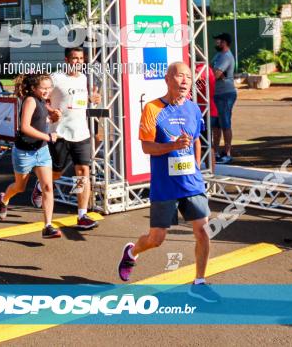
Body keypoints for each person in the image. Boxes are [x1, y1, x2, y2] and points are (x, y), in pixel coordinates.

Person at [116, 62, 218, 302]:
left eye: (189, 77)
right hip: (165, 184)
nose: (185, 81)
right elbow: (146, 146)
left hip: (191, 182)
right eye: (179, 76)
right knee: (157, 239)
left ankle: (199, 282)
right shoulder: (153, 109)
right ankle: (132, 252)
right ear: (167, 79)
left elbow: (195, 140)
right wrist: (172, 146)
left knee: (203, 230)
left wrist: (195, 166)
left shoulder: (193, 109)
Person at [31, 47, 100, 230]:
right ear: (66, 60)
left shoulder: (85, 78)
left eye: (80, 58)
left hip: (81, 133)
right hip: (59, 133)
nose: (78, 62)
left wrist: (92, 99)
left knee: (82, 172)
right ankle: (40, 185)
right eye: (74, 58)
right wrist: (51, 111)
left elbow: (79, 101)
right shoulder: (55, 78)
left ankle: (82, 214)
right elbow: (42, 98)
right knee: (57, 173)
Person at [0, 73, 62, 239]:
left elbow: (43, 118)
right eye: (44, 88)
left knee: (47, 187)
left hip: (41, 150)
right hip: (24, 152)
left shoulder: (41, 100)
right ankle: (4, 199)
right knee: (19, 187)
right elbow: (25, 127)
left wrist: (54, 114)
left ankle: (48, 226)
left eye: (49, 87)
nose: (47, 91)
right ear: (34, 88)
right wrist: (48, 137)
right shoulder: (30, 100)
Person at [210, 33, 236, 164]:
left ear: (224, 42)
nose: (216, 43)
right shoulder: (218, 56)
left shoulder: (226, 57)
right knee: (215, 125)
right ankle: (215, 152)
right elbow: (211, 71)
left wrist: (215, 73)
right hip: (216, 94)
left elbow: (215, 74)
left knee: (225, 123)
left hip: (226, 94)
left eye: (218, 41)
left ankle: (227, 153)